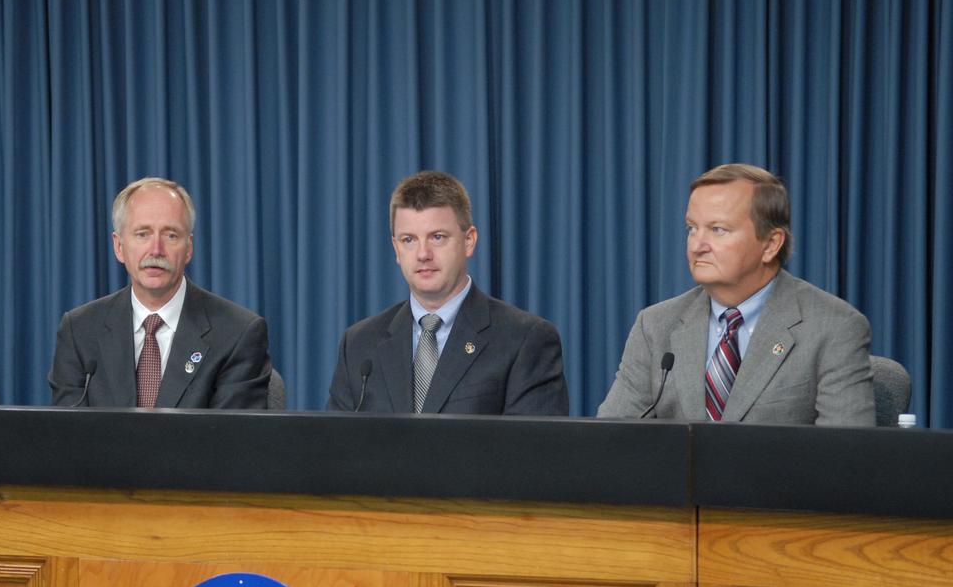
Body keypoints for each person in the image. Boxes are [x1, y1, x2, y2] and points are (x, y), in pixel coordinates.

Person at [597, 163, 874, 424]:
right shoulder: (656, 325)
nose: (697, 246)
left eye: (718, 230)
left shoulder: (834, 327)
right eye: (692, 229)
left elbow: (847, 461)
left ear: (770, 244)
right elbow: (609, 443)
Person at [327, 170, 568, 415]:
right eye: (409, 240)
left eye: (437, 237)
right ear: (396, 249)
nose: (423, 254)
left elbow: (535, 450)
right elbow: (335, 447)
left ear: (469, 241)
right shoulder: (359, 344)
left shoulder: (525, 340)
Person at [49, 177, 271, 408]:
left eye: (170, 235)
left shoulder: (237, 333)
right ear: (119, 246)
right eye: (142, 234)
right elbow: (68, 436)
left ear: (188, 248)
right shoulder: (80, 331)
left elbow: (233, 439)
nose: (156, 249)